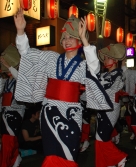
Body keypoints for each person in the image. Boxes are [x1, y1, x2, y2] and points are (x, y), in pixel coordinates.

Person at [14, 8, 113, 167]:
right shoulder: (50, 58)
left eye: (72, 37)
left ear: (79, 42)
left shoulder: (83, 65)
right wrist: (20, 30)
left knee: (69, 153)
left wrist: (85, 39)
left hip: (71, 113)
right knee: (51, 153)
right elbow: (27, 54)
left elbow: (94, 68)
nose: (67, 40)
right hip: (49, 111)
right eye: (65, 37)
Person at [94, 43, 128, 167]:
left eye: (107, 57)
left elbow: (102, 84)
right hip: (103, 107)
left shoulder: (117, 75)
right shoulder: (106, 74)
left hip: (110, 108)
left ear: (114, 60)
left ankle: (118, 157)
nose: (105, 60)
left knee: (101, 137)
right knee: (101, 137)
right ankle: (109, 163)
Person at [0, 54, 26, 167]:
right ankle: (16, 157)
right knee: (9, 138)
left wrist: (8, 65)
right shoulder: (5, 81)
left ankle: (5, 163)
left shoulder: (20, 78)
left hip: (15, 113)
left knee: (8, 139)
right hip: (5, 112)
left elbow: (21, 79)